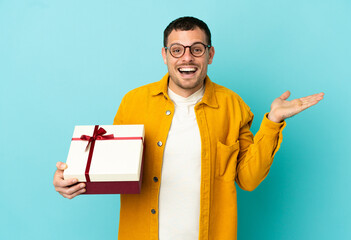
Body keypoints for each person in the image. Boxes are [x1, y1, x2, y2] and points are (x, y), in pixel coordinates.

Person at [53, 16, 324, 240]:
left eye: (196, 49)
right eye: (177, 50)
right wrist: (72, 179)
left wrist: (273, 122)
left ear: (210, 54)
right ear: (165, 55)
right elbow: (113, 169)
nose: (187, 58)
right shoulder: (134, 102)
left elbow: (249, 179)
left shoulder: (233, 105)